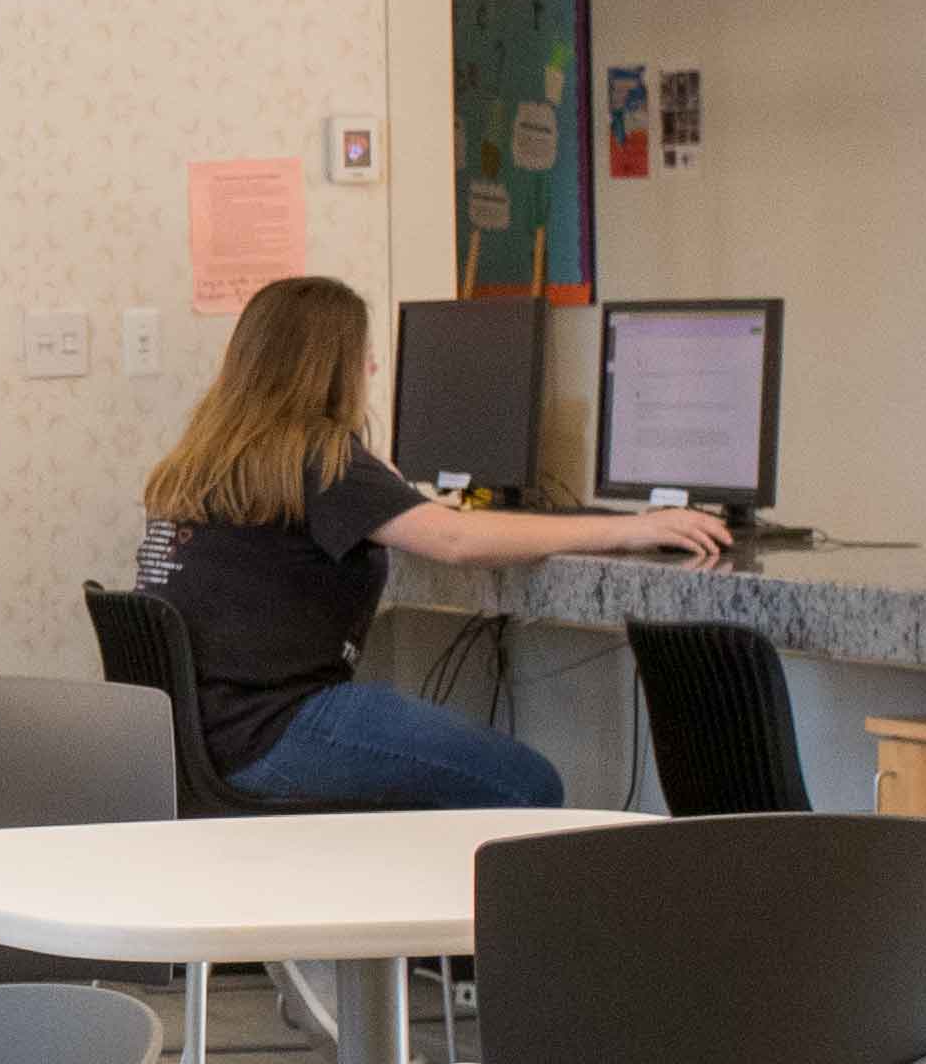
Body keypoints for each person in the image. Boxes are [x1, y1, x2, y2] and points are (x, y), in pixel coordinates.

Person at [137, 272, 728, 811]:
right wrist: (635, 527)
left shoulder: (202, 459)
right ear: (328, 367)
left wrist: (383, 487)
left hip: (203, 739)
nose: (372, 369)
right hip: (276, 730)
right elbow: (456, 539)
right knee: (528, 784)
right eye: (361, 355)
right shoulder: (318, 454)